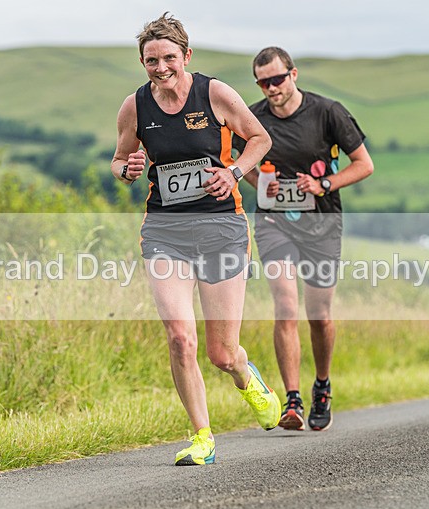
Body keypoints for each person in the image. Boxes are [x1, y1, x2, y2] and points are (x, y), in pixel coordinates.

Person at [111, 13, 281, 466]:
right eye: (151, 60)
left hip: (221, 227)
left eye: (169, 57)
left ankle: (249, 378)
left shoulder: (215, 94)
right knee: (180, 337)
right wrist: (125, 169)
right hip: (164, 231)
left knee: (222, 353)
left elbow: (260, 139)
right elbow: (120, 158)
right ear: (142, 62)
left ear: (186, 56)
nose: (161, 67)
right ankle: (202, 436)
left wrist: (234, 173)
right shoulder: (135, 106)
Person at [233, 47, 374, 431]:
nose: (271, 88)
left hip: (322, 224)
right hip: (275, 223)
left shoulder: (328, 112)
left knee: (320, 315)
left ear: (293, 74)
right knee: (285, 303)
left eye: (277, 79)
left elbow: (364, 164)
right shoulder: (252, 118)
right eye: (263, 83)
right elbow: (238, 163)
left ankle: (322, 386)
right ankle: (292, 399)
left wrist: (323, 183)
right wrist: (261, 183)